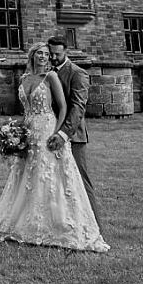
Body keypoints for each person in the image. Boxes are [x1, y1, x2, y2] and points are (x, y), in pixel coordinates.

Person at [0, 41, 108, 252]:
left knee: (63, 178)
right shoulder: (25, 78)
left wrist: (59, 133)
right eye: (41, 53)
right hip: (30, 131)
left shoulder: (61, 75)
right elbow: (26, 110)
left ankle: (82, 225)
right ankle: (27, 221)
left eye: (49, 54)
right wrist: (15, 133)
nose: (46, 57)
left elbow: (70, 107)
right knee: (28, 176)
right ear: (33, 56)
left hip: (54, 131)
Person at [46, 35, 101, 227]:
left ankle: (95, 226)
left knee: (80, 181)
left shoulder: (77, 73)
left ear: (66, 52)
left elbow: (78, 108)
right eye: (50, 54)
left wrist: (63, 134)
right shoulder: (47, 72)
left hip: (72, 136)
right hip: (49, 133)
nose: (53, 58)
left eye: (57, 54)